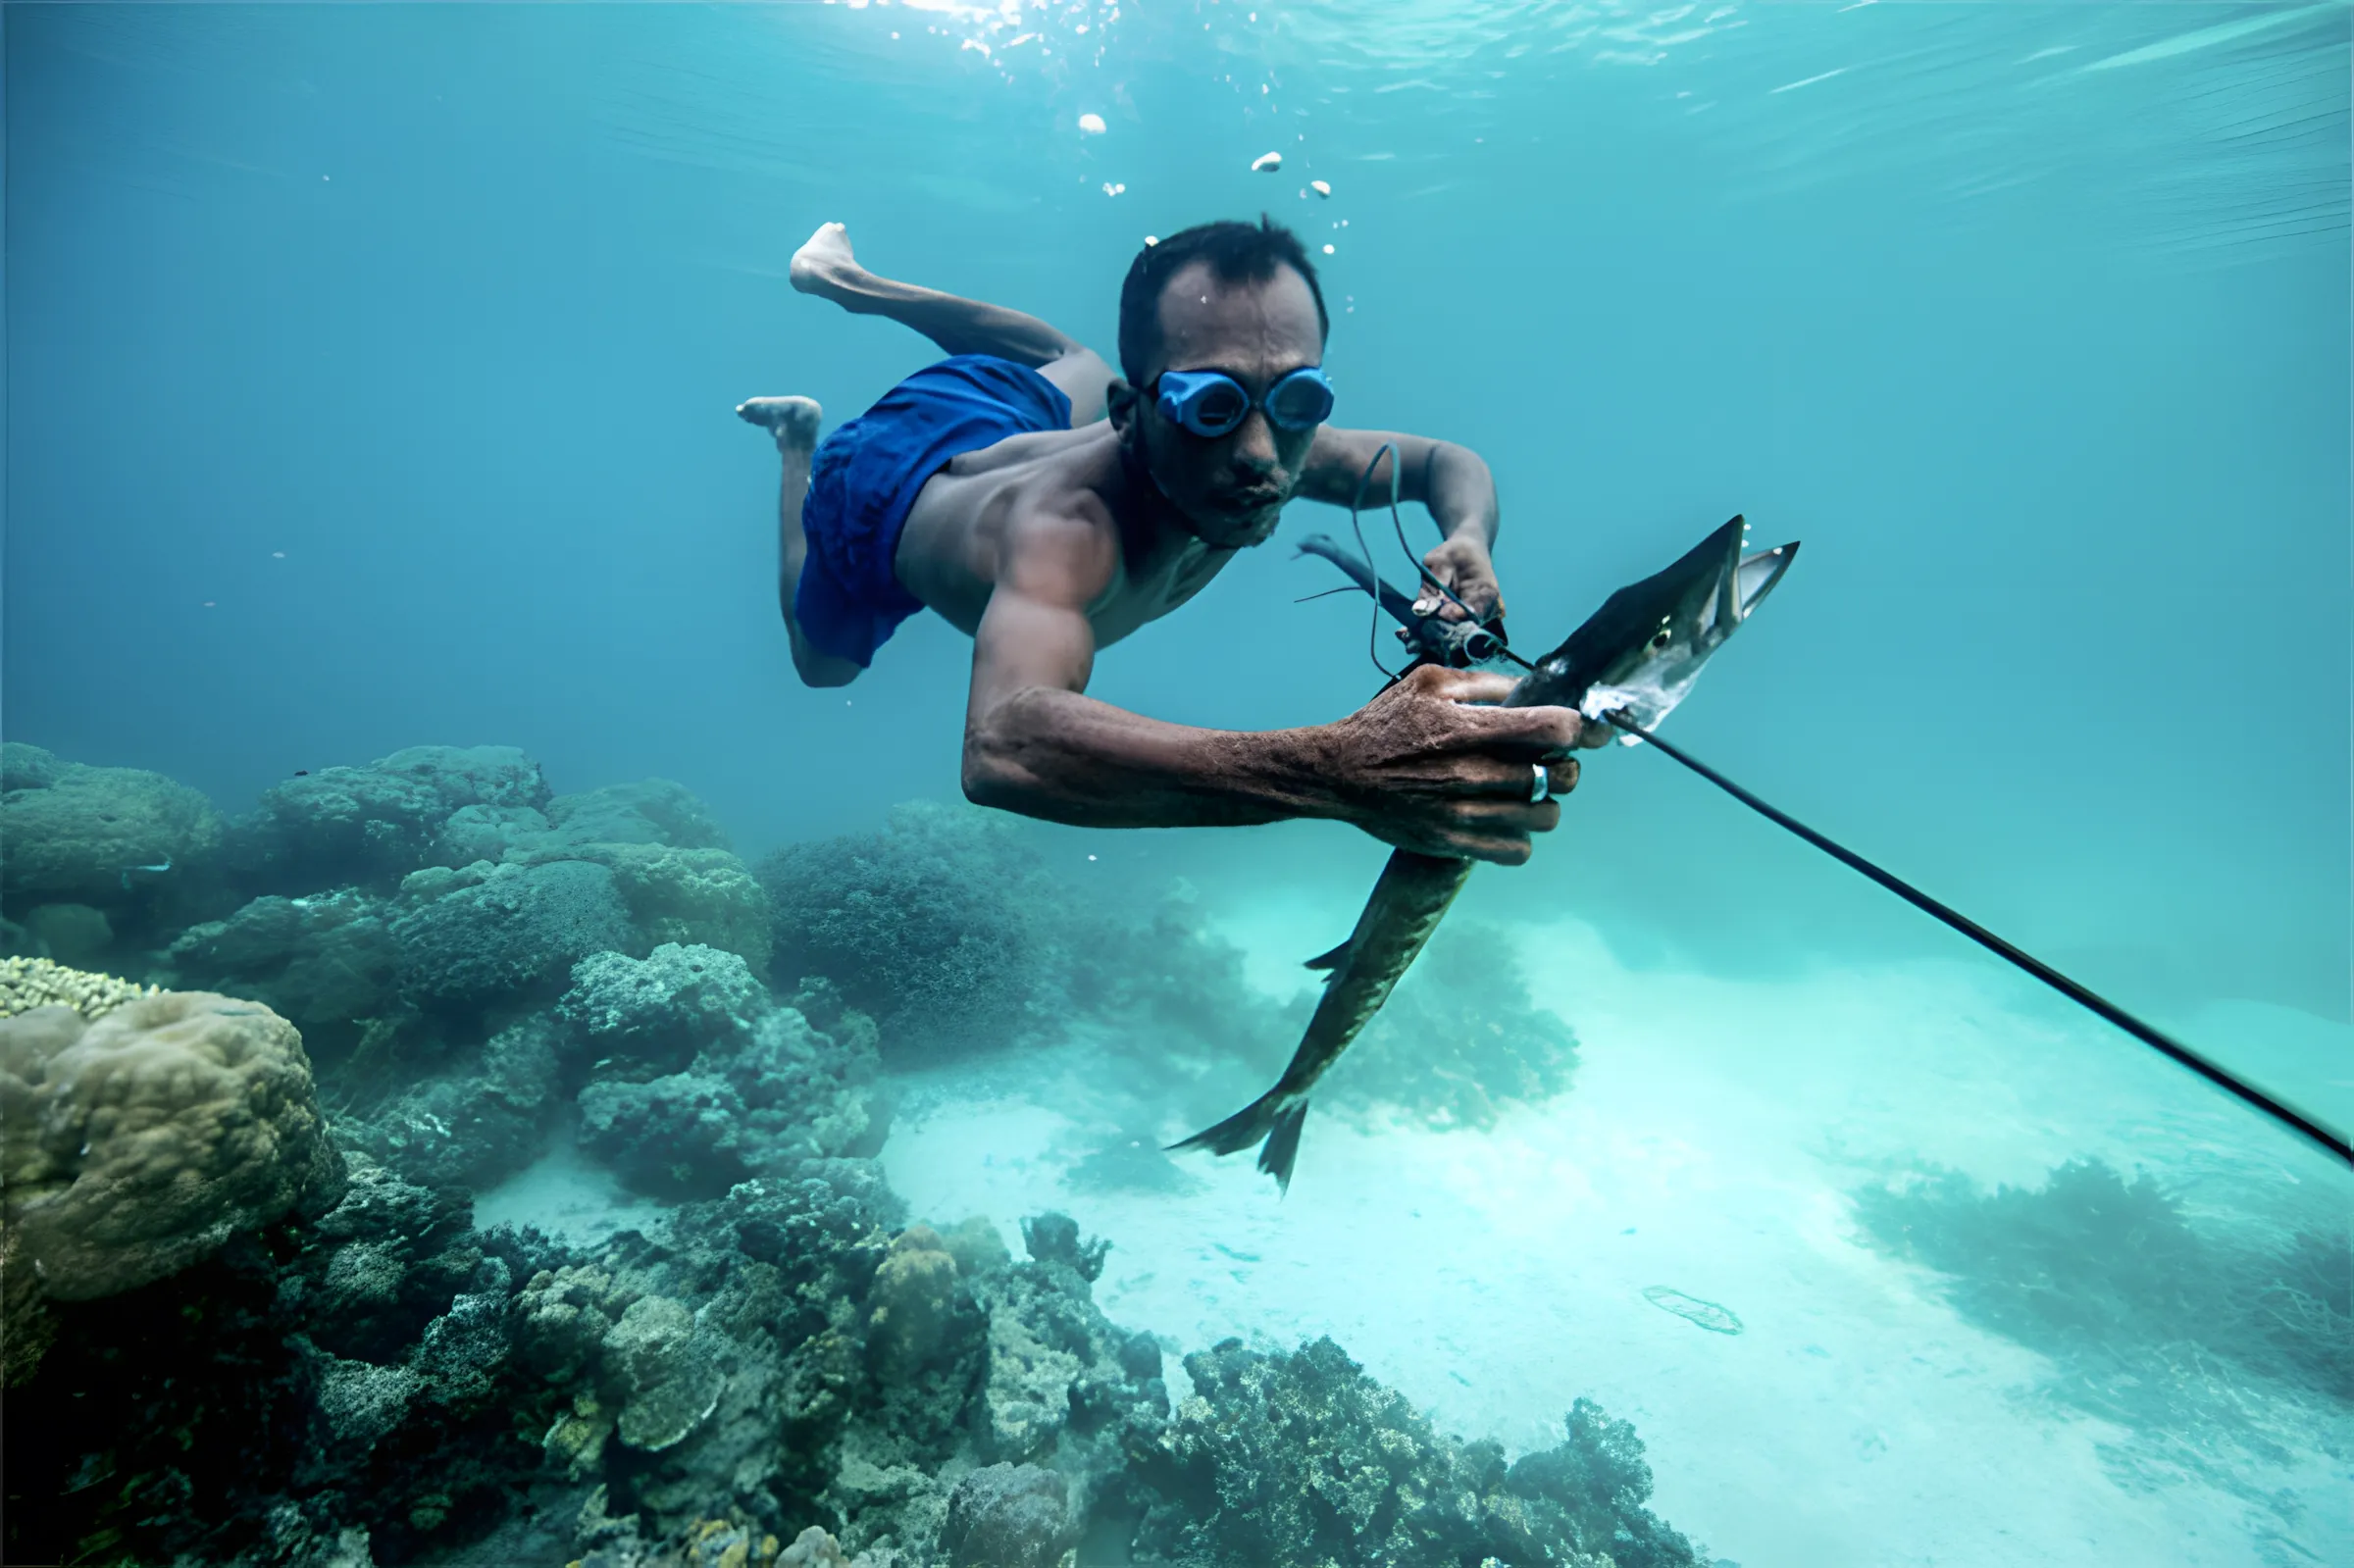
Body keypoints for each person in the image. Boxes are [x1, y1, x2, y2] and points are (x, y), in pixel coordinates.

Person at [739, 217, 1599, 866]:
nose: (1260, 457)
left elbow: (1448, 462)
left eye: (1297, 400)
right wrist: (1337, 768)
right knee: (823, 665)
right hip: (878, 489)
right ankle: (795, 444)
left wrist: (1468, 537)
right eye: (1210, 406)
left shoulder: (1264, 445)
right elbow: (1003, 745)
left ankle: (847, 279)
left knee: (1062, 358)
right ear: (1135, 416)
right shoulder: (1069, 534)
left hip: (1001, 405)